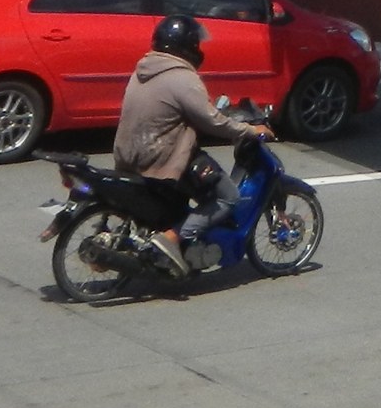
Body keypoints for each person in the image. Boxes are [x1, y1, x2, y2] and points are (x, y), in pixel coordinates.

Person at [114, 14, 270, 272]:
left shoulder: (143, 67)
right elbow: (214, 122)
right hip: (162, 156)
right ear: (186, 46)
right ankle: (171, 238)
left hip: (129, 152)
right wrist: (249, 130)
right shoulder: (183, 78)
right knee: (228, 197)